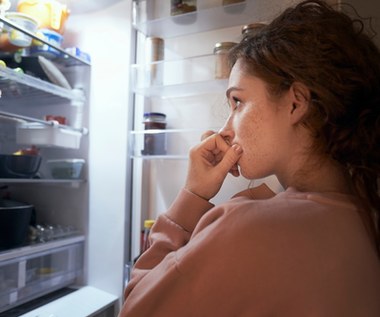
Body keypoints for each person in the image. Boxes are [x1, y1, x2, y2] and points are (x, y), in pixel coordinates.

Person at [119, 0, 380, 316]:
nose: (226, 131)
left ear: (296, 104)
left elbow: (135, 308)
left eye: (238, 102)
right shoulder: (366, 216)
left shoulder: (245, 227)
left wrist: (192, 196)